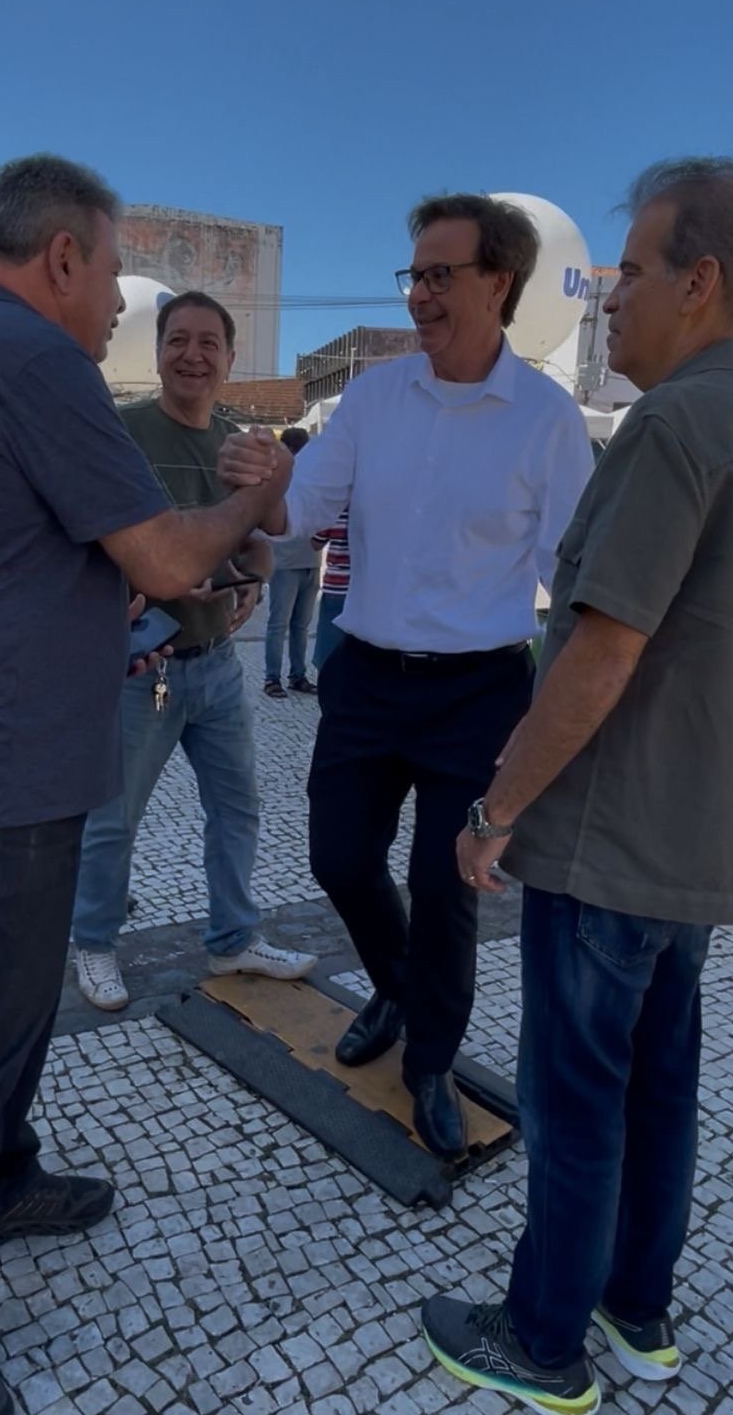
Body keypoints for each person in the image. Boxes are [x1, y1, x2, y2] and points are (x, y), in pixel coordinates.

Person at [0, 155, 295, 1415]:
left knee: (6, 1008)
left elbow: (52, 553)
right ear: (60, 257)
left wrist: (184, 565)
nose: (117, 308)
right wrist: (246, 498)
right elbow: (155, 550)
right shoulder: (26, 355)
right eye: (111, 277)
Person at [418, 158, 733, 1415]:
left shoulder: (675, 424)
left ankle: (540, 1342)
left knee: (575, 1097)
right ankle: (634, 1312)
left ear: (700, 282)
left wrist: (495, 811)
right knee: (657, 1087)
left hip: (610, 844)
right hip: (691, 850)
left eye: (632, 270)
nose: (611, 294)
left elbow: (601, 647)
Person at [220, 193, 593, 1159]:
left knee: (444, 886)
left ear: (498, 284)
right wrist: (262, 475)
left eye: (440, 274)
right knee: (339, 857)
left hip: (479, 692)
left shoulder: (549, 422)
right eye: (415, 274)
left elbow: (575, 579)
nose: (421, 293)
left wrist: (574, 706)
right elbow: (300, 513)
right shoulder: (373, 400)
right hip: (369, 675)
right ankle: (396, 983)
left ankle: (430, 1059)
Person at [72, 293, 316, 1012]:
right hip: (141, 667)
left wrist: (260, 560)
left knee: (238, 806)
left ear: (231, 359)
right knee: (114, 818)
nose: (193, 355)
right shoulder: (120, 434)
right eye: (179, 340)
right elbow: (89, 540)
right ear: (158, 351)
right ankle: (94, 943)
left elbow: (255, 530)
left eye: (210, 343)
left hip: (215, 664)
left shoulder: (238, 442)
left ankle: (234, 937)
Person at [262, 427, 322, 699]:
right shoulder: (278, 479)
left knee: (296, 625)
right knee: (283, 624)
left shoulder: (312, 477)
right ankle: (273, 678)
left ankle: (295, 676)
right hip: (287, 561)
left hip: (308, 559)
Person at [312, 510, 350, 671]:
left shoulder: (338, 511)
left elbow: (316, 542)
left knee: (329, 645)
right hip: (363, 588)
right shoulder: (374, 511)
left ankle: (330, 686)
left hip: (336, 585)